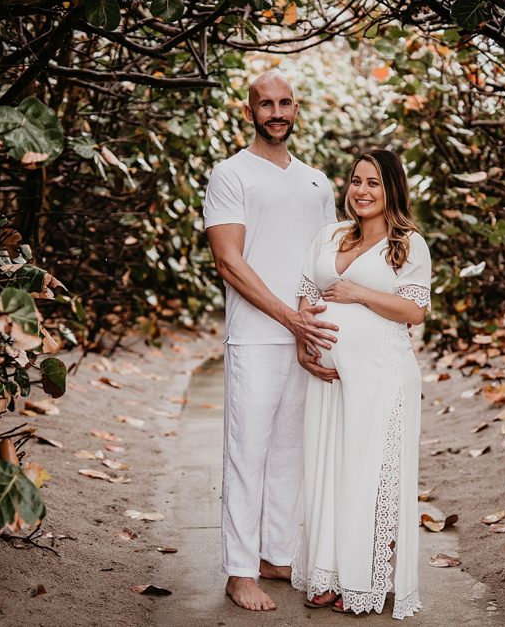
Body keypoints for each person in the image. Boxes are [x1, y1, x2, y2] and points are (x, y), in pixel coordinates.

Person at [203, 70, 339, 611]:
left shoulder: (318, 182)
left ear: (297, 109)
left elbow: (322, 264)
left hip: (304, 332)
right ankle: (239, 572)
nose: (276, 112)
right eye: (266, 104)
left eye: (285, 103)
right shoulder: (231, 174)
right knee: (247, 453)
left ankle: (276, 557)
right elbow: (228, 261)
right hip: (256, 338)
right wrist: (290, 318)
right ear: (249, 112)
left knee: (289, 453)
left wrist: (312, 327)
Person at [291, 149, 431, 619]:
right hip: (330, 377)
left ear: (391, 188)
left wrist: (358, 294)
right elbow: (306, 294)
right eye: (355, 181)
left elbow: (414, 311)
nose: (362, 191)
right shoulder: (330, 234)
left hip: (383, 377)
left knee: (369, 474)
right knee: (329, 470)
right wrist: (303, 337)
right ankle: (329, 575)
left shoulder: (408, 243)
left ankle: (363, 581)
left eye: (373, 183)